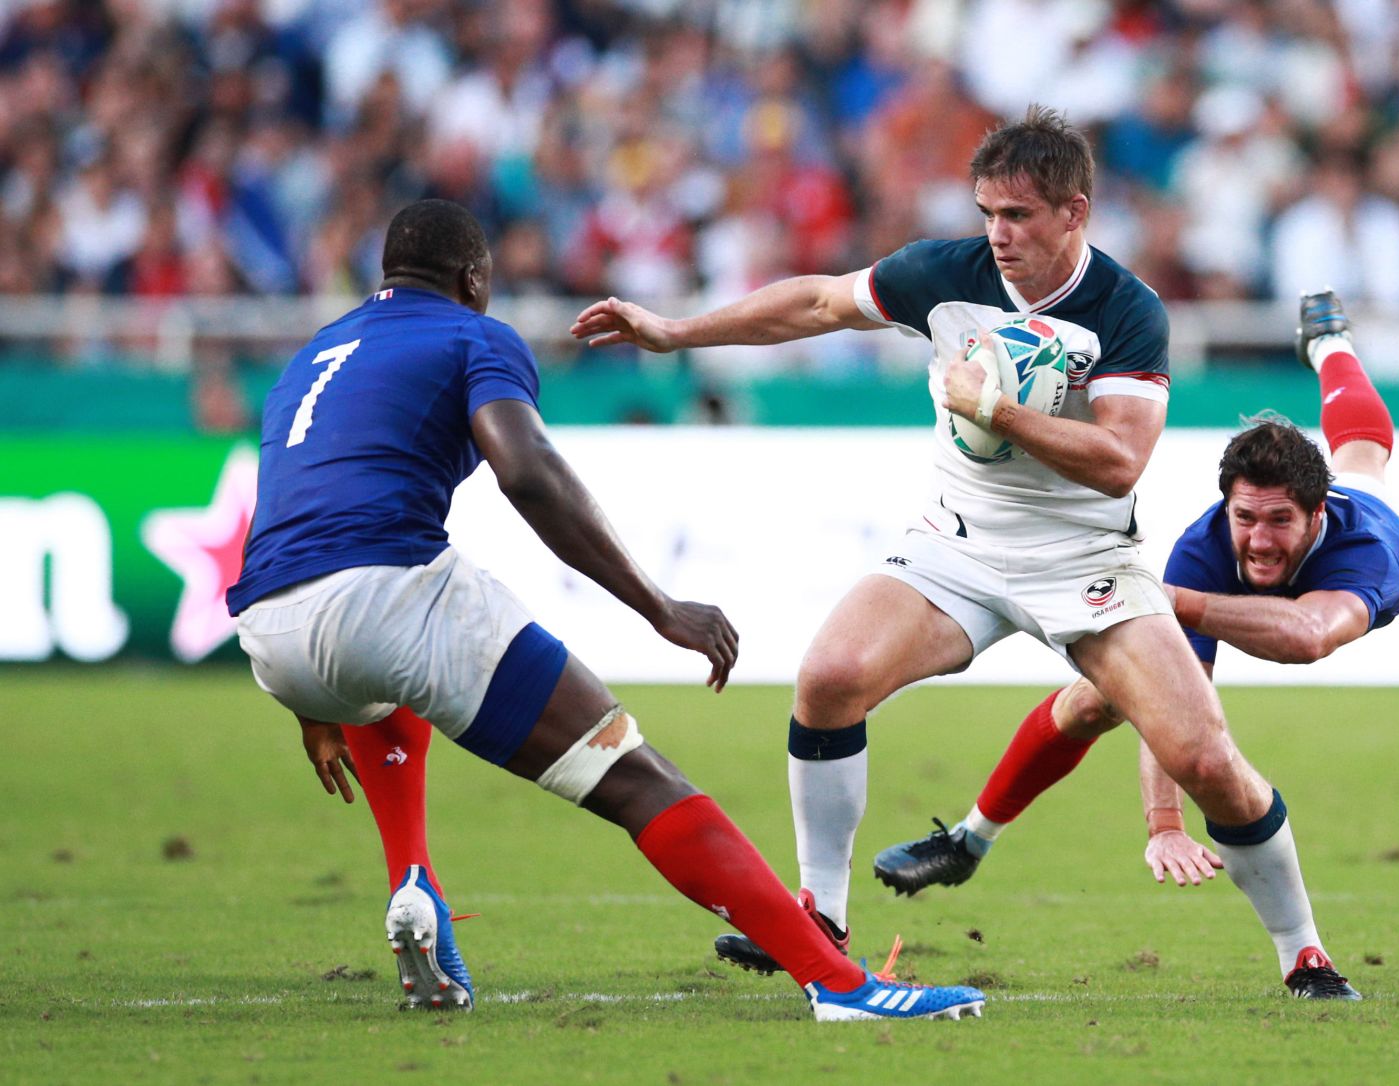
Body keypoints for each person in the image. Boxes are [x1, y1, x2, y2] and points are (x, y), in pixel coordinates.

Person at [570, 109, 1361, 1000]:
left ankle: (1303, 950)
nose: (999, 233)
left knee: (1207, 761)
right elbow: (819, 301)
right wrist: (678, 332)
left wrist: (999, 411)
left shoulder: (1126, 310)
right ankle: (821, 915)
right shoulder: (943, 272)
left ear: (1075, 212)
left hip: (1084, 561)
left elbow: (1119, 463)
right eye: (987, 211)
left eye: (1019, 215)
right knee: (828, 679)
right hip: (958, 543)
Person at [225, 198, 985, 1023]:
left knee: (380, 678)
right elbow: (530, 472)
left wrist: (308, 697)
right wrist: (658, 607)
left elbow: (290, 519)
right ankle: (842, 988)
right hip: (385, 591)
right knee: (634, 780)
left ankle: (415, 881)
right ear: (474, 279)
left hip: (269, 624)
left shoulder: (310, 357)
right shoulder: (473, 335)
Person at [873, 289, 1399, 984]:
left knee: (1364, 461)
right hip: (1205, 591)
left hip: (1358, 573)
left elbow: (1309, 635)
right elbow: (1169, 701)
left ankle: (1330, 348)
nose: (1256, 539)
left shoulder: (1368, 551)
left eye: (1280, 520)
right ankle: (969, 840)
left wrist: (1172, 603)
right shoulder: (1206, 545)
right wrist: (1163, 821)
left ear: (1314, 516)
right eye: (1244, 516)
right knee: (1092, 701)